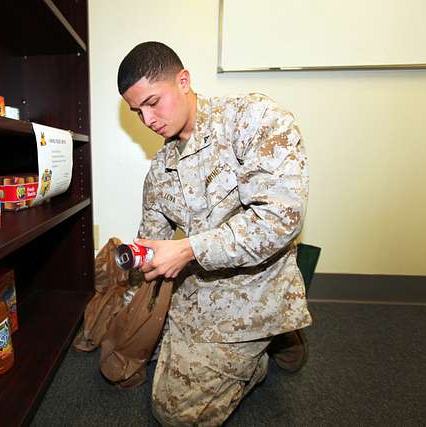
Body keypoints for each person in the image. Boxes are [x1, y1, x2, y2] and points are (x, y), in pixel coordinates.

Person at [117, 41, 312, 426]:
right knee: (140, 351)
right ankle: (266, 343)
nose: (148, 119)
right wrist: (130, 308)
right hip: (196, 292)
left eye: (153, 102)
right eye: (137, 111)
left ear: (184, 81)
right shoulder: (160, 171)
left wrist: (188, 249)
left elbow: (279, 217)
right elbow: (150, 247)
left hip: (255, 292)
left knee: (176, 415)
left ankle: (273, 336)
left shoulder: (252, 118)